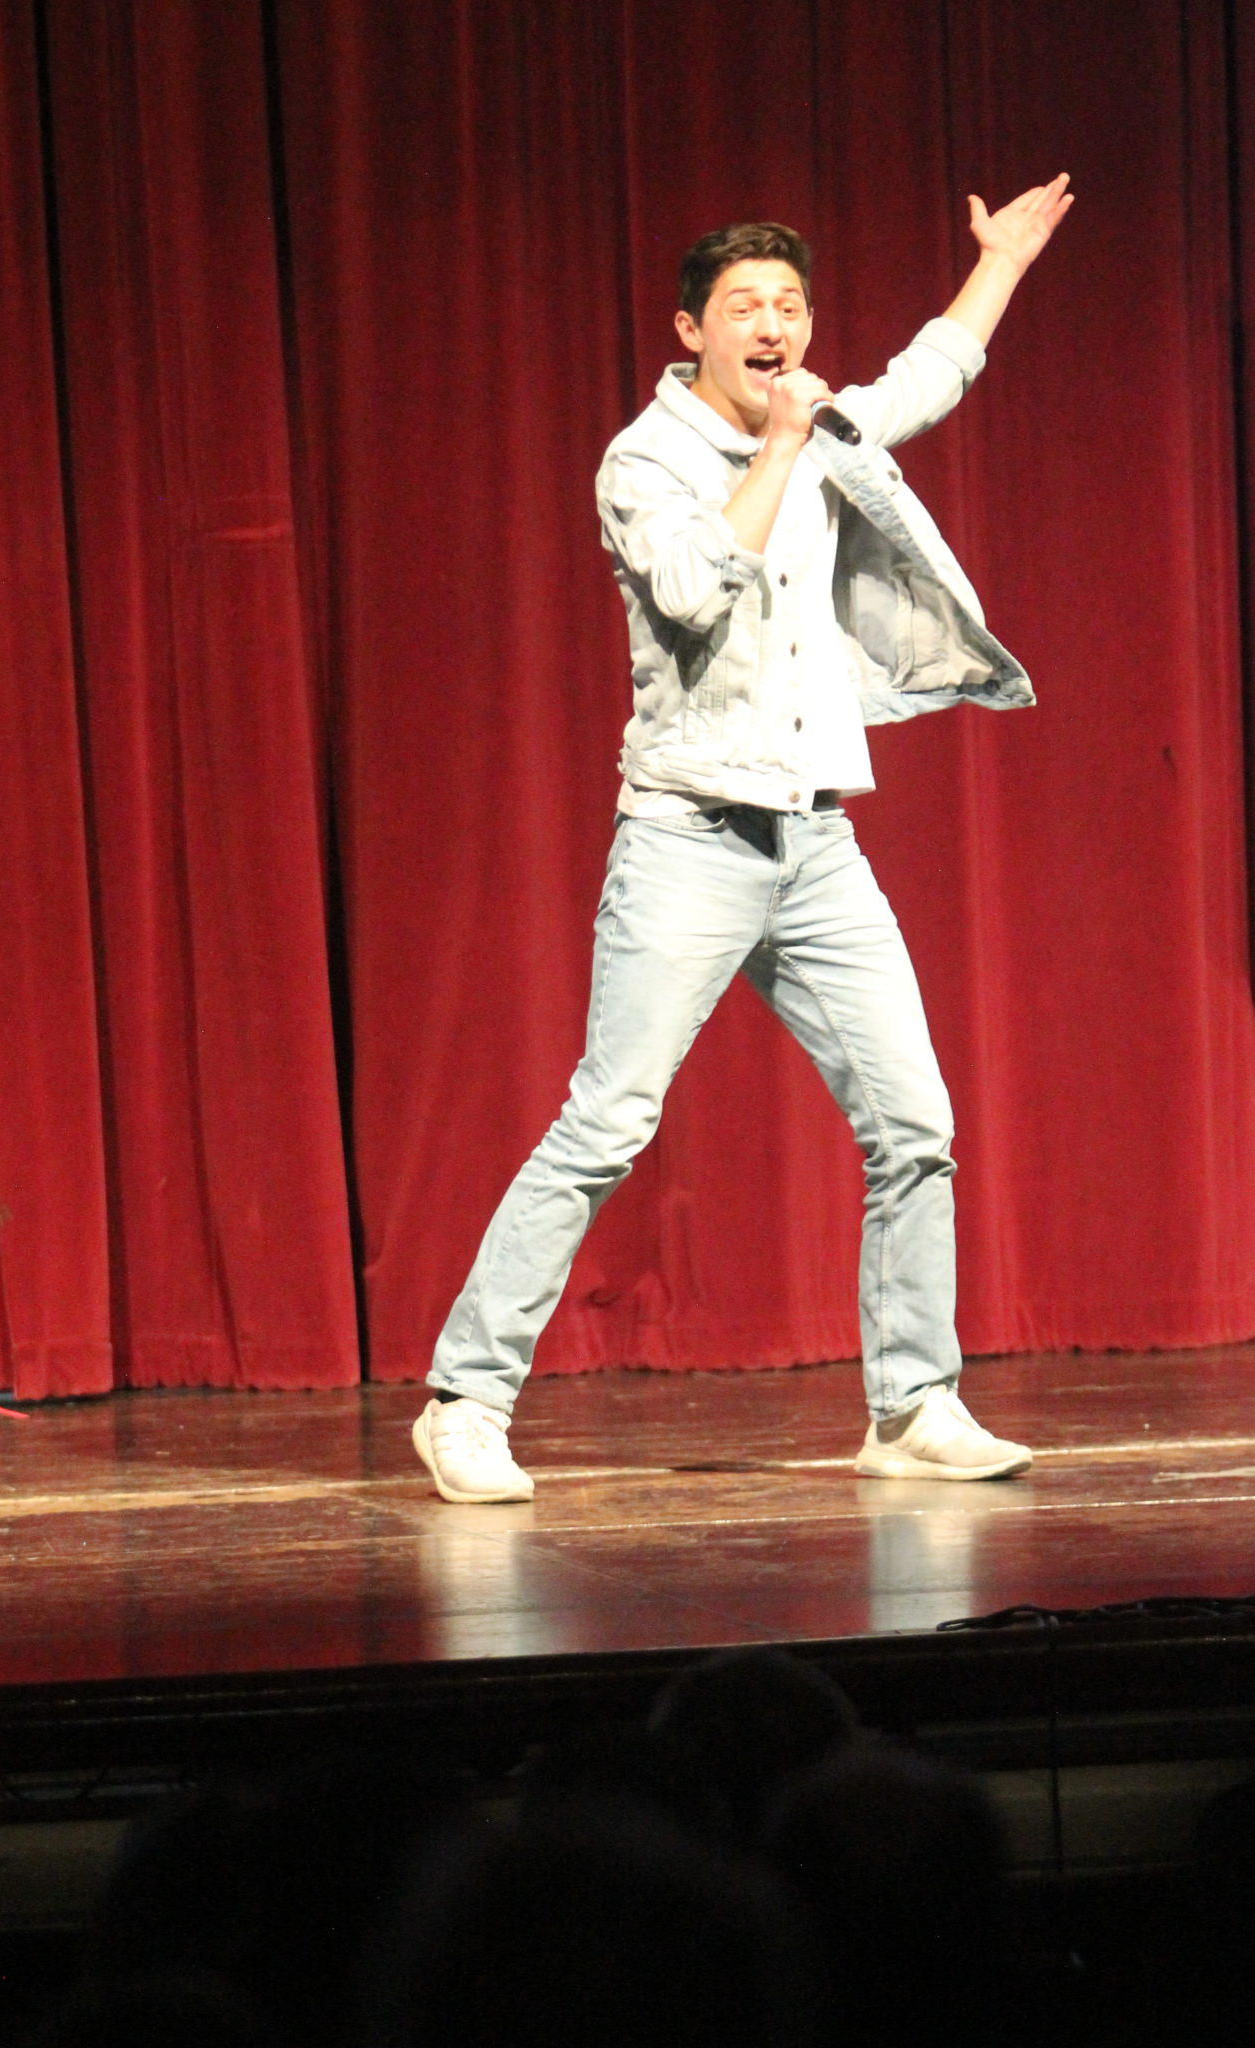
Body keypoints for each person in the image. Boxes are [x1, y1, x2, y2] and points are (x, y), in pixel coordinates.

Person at [413, 177, 1074, 1503]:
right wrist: (778, 450)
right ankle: (464, 1401)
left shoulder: (819, 425)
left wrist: (998, 264)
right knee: (608, 1122)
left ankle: (911, 1406)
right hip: (689, 836)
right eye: (743, 307)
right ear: (691, 330)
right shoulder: (645, 461)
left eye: (788, 304)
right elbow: (691, 588)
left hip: (815, 842)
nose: (772, 325)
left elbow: (928, 375)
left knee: (915, 1125)